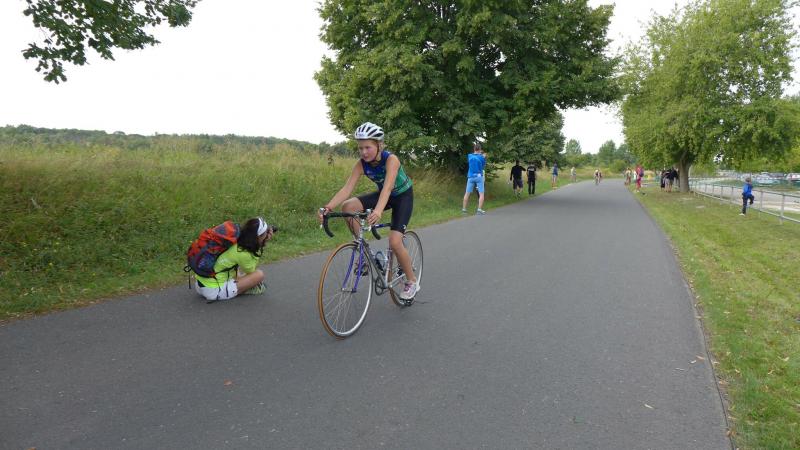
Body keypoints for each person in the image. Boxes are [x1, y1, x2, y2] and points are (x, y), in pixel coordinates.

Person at [318, 122, 419, 300]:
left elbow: (388, 188)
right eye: (360, 148)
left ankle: (412, 281)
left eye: (368, 147)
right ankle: (363, 252)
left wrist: (378, 211)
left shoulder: (391, 160)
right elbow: (347, 189)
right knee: (348, 206)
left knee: (395, 242)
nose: (364, 152)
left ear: (379, 145)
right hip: (383, 195)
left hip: (402, 197)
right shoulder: (361, 164)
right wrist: (328, 207)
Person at [193, 217, 273, 302]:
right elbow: (251, 270)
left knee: (235, 268)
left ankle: (234, 286)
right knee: (259, 275)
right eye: (265, 234)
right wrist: (261, 245)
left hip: (200, 285)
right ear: (258, 237)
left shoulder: (233, 238)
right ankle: (244, 290)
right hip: (214, 291)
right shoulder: (243, 252)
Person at [462, 142, 487, 215]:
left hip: (471, 176)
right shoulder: (482, 157)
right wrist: (483, 157)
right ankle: (479, 210)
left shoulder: (469, 156)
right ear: (480, 149)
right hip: (479, 177)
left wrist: (480, 154)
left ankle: (464, 210)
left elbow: (474, 157)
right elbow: (483, 166)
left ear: (474, 149)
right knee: (481, 194)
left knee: (467, 193)